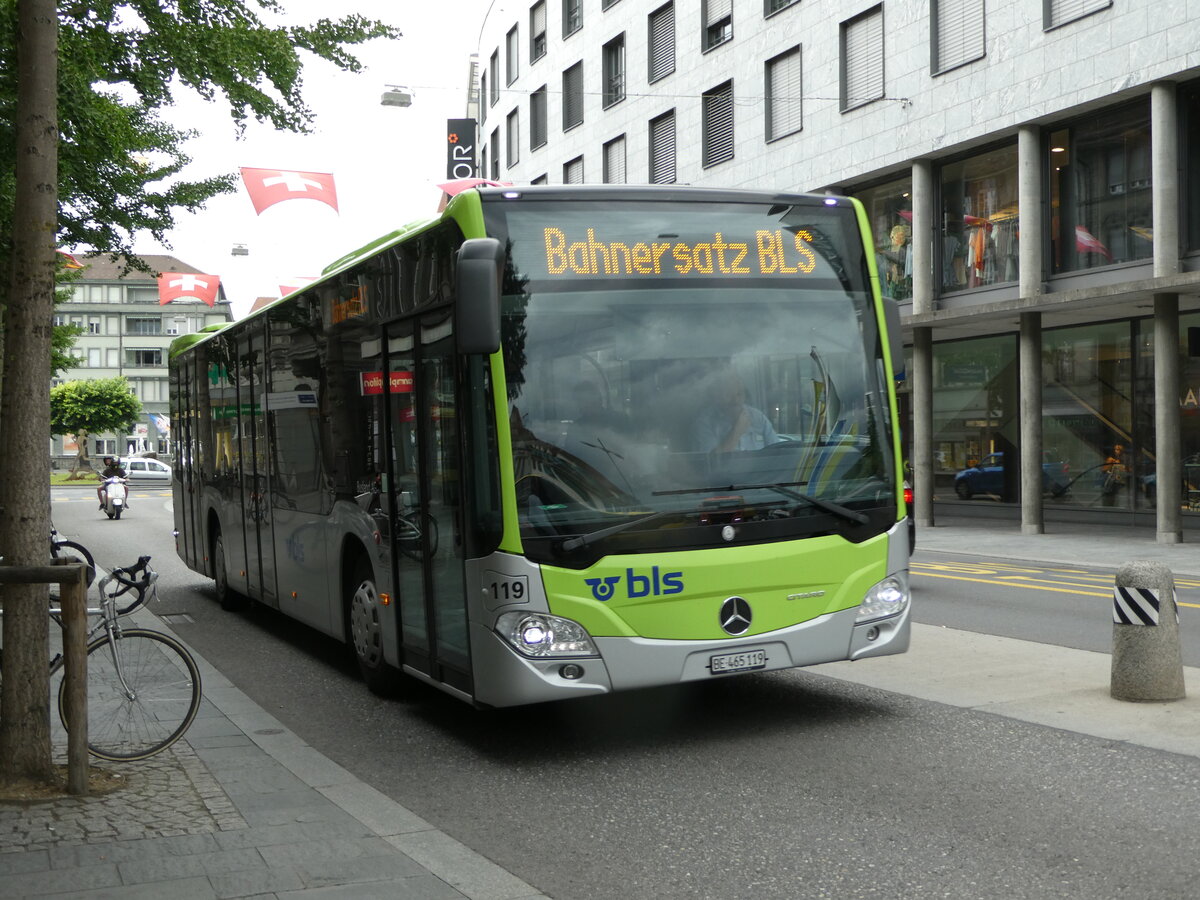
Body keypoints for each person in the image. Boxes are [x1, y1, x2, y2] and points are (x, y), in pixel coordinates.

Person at [693, 372, 778, 453]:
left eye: (739, 394)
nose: (735, 400)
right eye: (729, 394)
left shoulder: (758, 418)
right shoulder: (705, 423)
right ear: (717, 396)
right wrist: (737, 431)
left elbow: (777, 452)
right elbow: (710, 463)